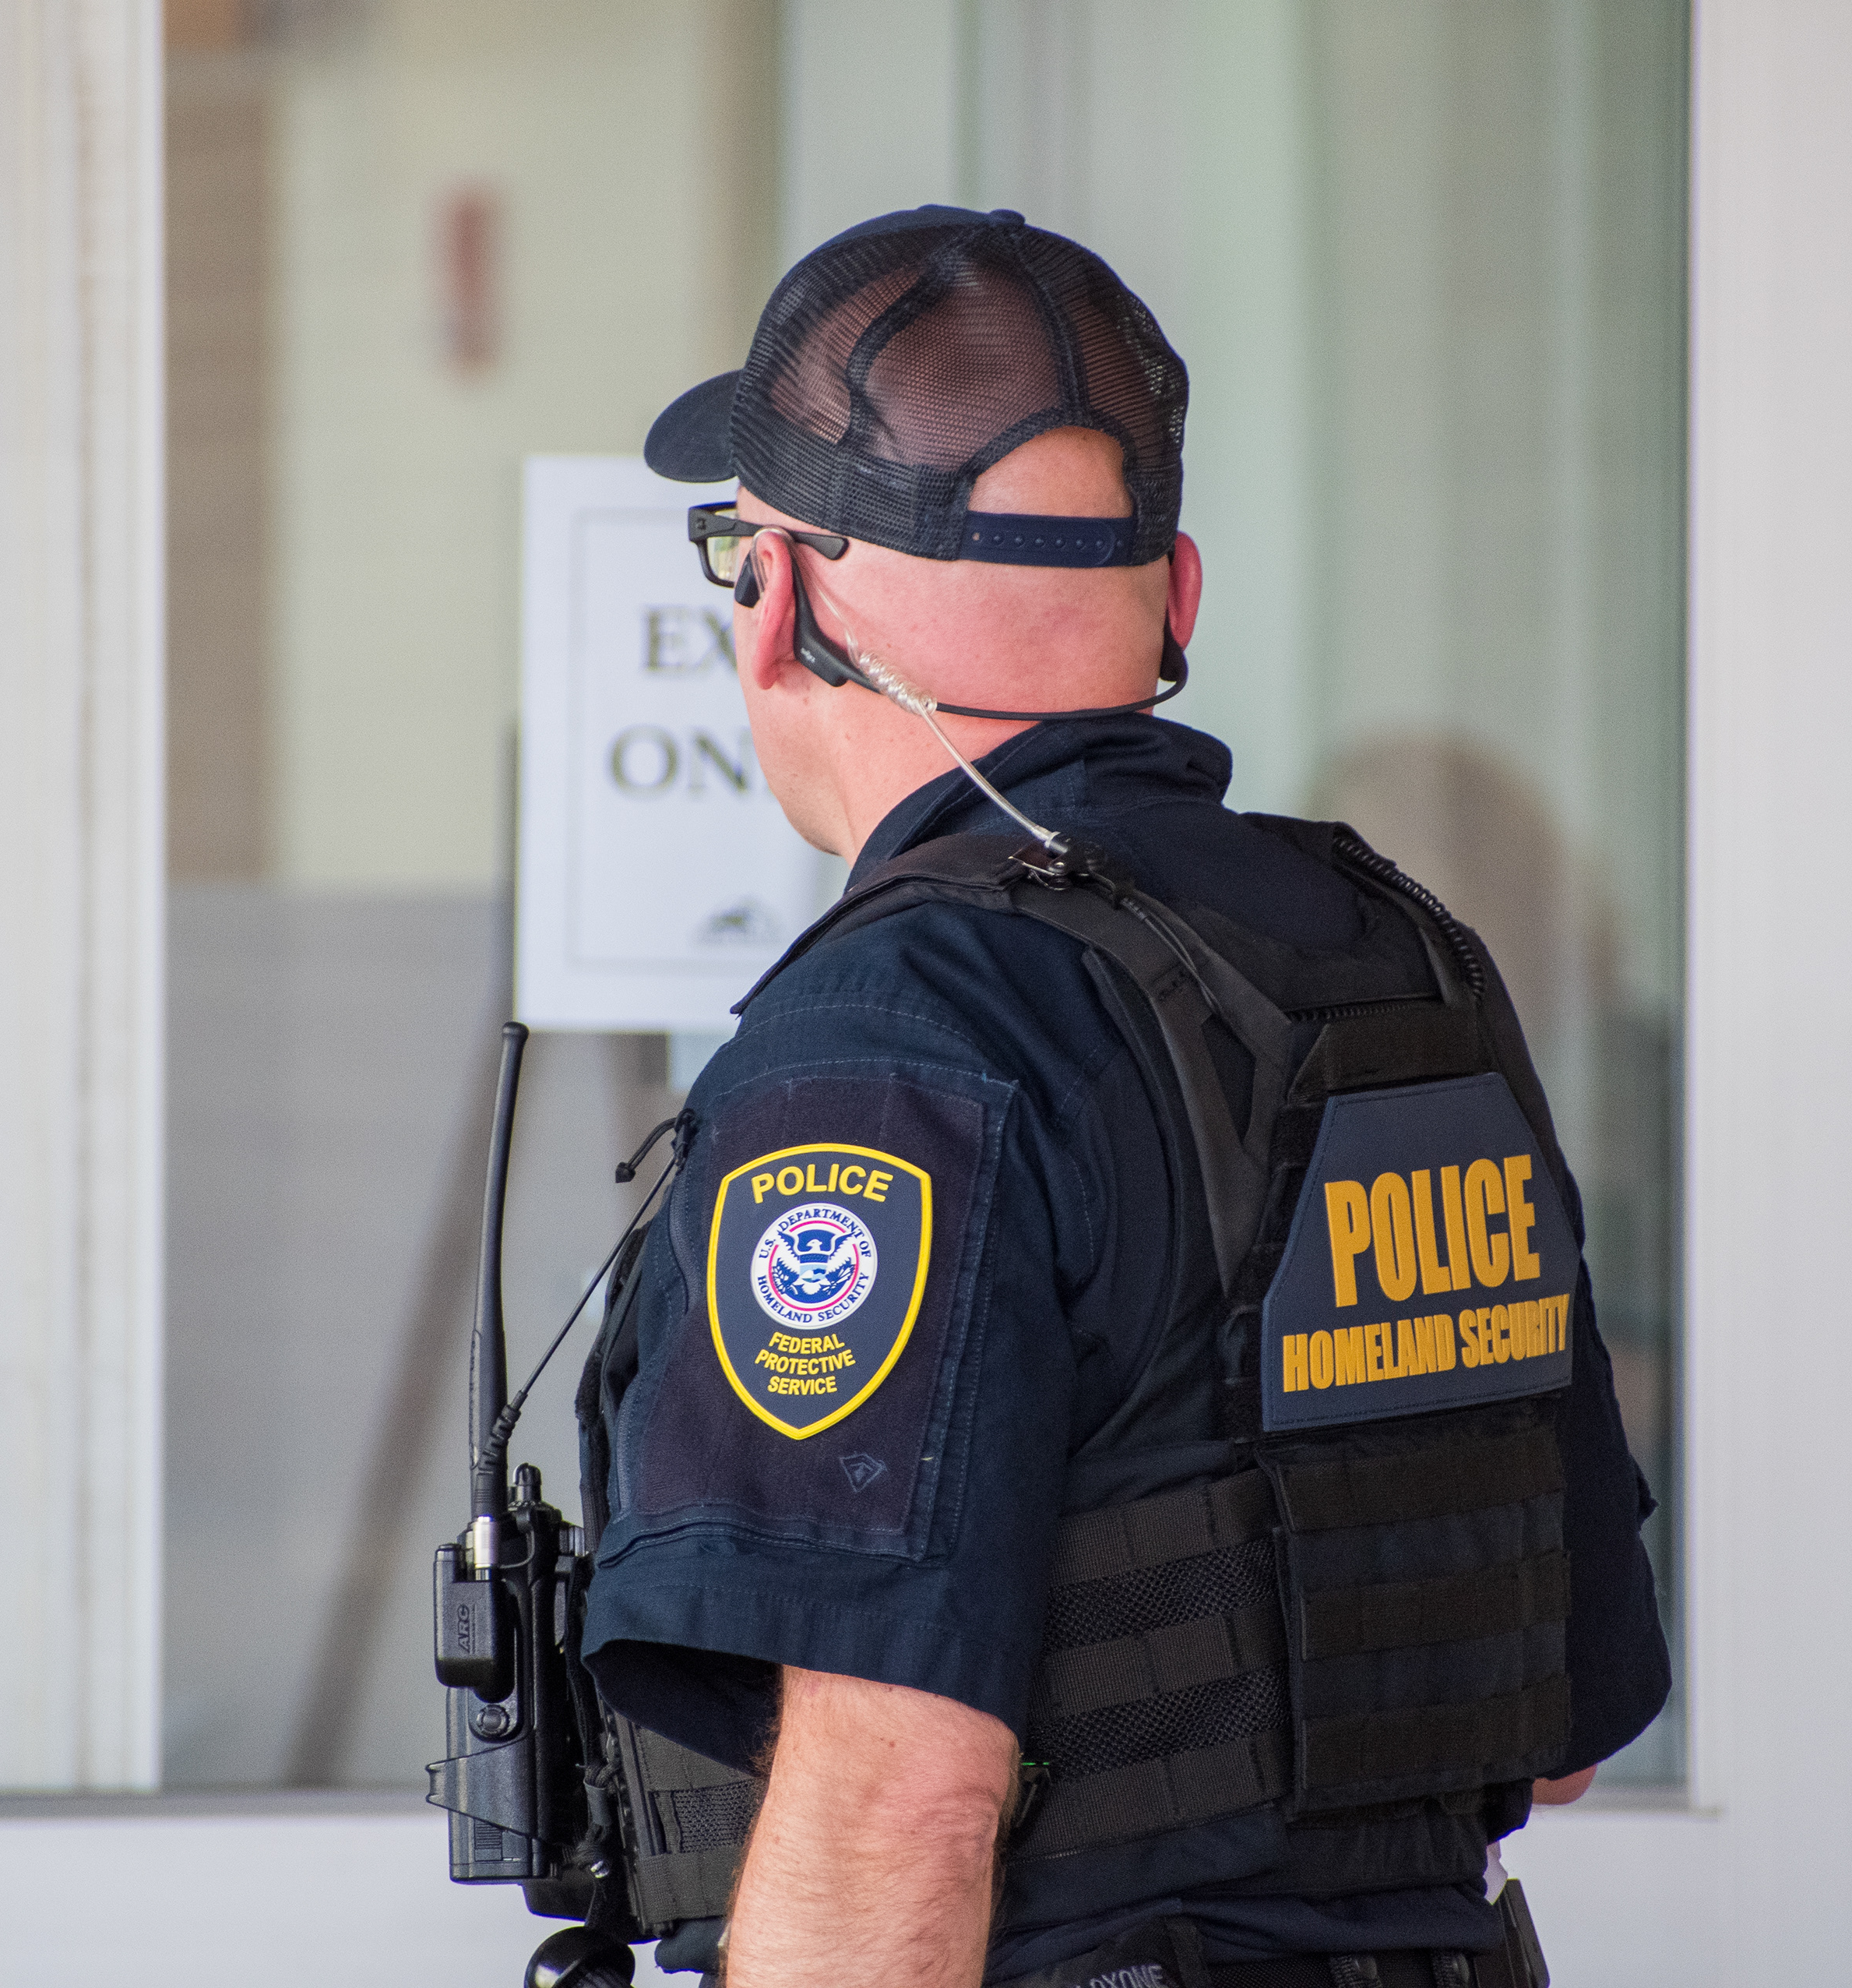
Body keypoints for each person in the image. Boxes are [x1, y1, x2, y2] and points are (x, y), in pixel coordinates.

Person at [576, 206, 1668, 1988]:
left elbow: (891, 1802)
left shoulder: (895, 1040)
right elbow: (1559, 1717)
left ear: (776, 600)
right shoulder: (1399, 960)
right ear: (1176, 597)